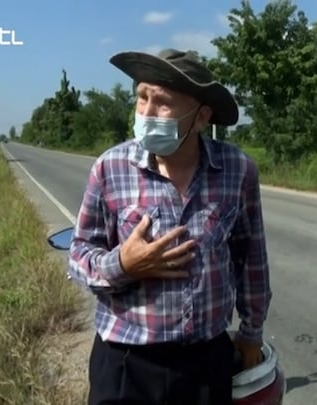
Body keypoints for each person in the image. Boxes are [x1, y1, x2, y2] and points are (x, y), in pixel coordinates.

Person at [67, 48, 273, 405]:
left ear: (200, 117)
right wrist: (124, 266)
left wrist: (251, 333)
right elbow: (79, 254)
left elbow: (251, 258)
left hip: (206, 363)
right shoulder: (110, 168)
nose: (146, 112)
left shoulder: (237, 171)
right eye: (142, 97)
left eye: (162, 103)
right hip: (126, 362)